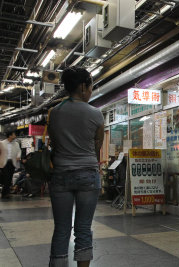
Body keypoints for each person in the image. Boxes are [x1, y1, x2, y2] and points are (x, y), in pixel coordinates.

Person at [47, 66, 104, 267]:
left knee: (62, 229)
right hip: (88, 174)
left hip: (61, 175)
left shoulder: (54, 113)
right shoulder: (96, 114)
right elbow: (97, 146)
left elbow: (54, 143)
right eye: (90, 87)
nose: (91, 91)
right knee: (83, 228)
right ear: (82, 87)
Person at [0, 131, 21, 199]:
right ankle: (5, 193)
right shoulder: (2, 143)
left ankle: (5, 193)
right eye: (14, 134)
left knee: (9, 178)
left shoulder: (16, 144)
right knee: (6, 177)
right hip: (4, 162)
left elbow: (19, 151)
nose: (15, 135)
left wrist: (18, 156)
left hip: (12, 163)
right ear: (10, 136)